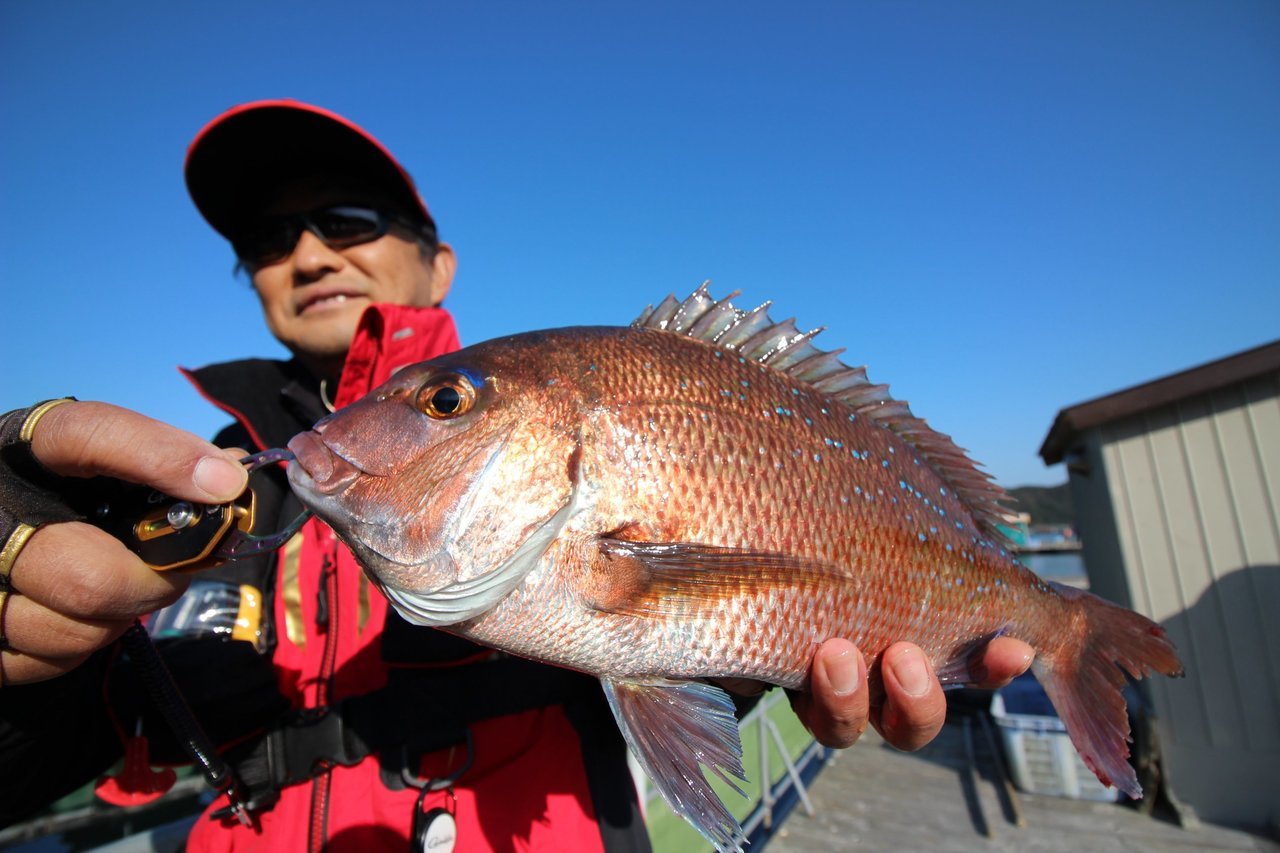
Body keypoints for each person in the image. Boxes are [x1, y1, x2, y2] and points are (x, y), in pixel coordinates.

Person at [0, 100, 1034, 850]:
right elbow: (51, 753)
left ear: (437, 262)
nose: (309, 252)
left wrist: (745, 677)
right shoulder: (184, 491)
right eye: (269, 238)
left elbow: (714, 614)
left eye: (349, 219)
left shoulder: (548, 377)